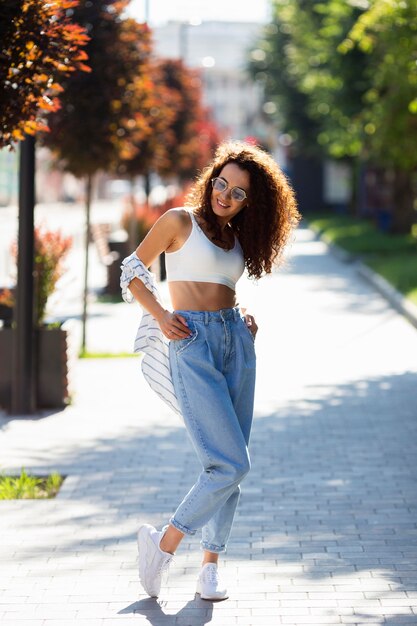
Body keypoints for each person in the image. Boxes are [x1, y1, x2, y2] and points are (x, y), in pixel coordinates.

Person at [120, 140, 299, 601]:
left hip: (236, 341)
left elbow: (222, 289)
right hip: (191, 343)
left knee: (230, 463)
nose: (226, 196)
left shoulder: (237, 239)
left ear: (249, 203)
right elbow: (133, 269)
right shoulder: (180, 221)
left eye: (238, 193)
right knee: (231, 463)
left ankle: (210, 568)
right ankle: (164, 544)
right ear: (212, 179)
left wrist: (243, 321)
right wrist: (161, 315)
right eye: (222, 184)